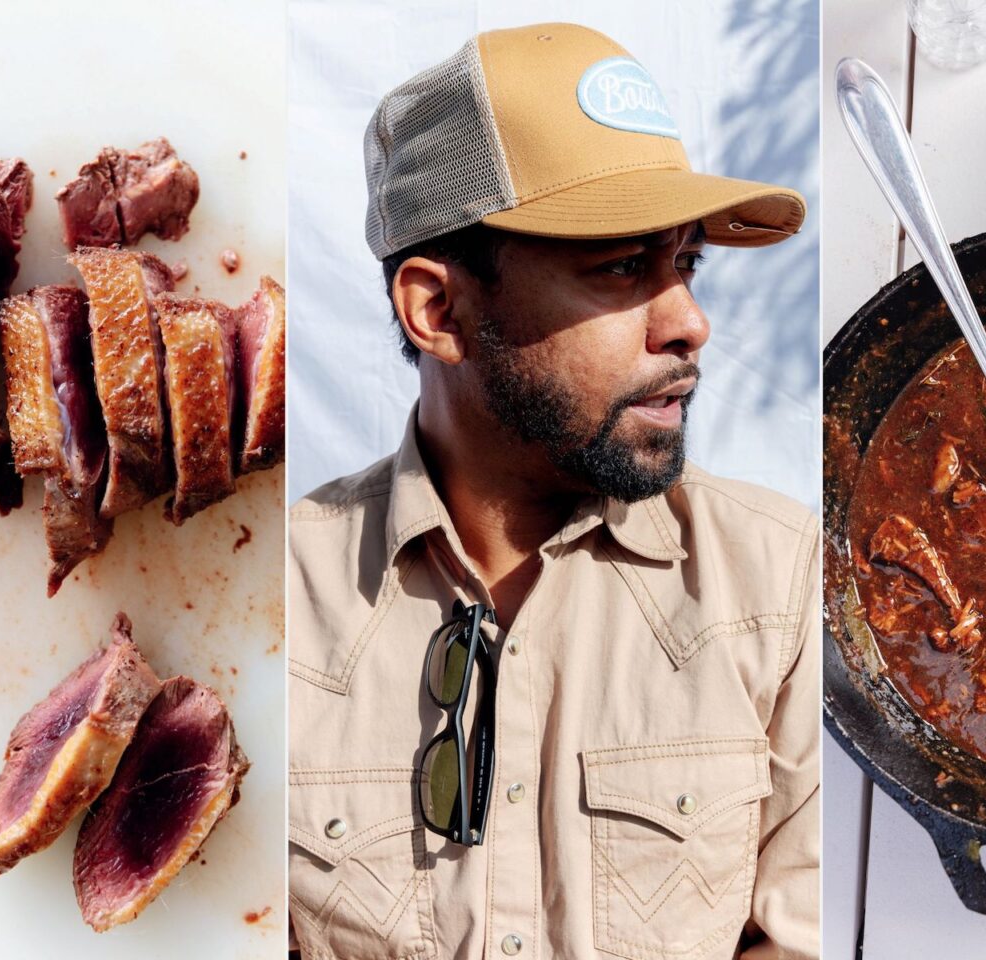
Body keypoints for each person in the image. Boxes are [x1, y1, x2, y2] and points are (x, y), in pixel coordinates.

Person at [289, 22, 817, 960]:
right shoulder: (276, 601)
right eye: (620, 266)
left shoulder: (781, 584)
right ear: (439, 309)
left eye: (686, 262)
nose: (689, 322)